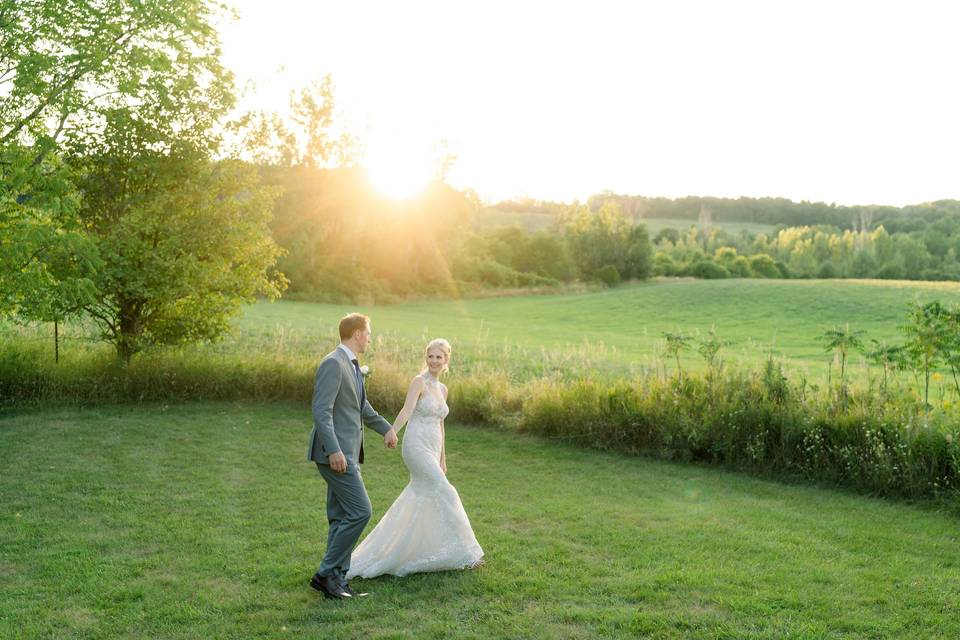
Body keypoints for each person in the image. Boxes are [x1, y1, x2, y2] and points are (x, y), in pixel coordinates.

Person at [346, 338, 484, 579]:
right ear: (426, 358)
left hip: (433, 447)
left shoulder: (443, 389)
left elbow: (441, 424)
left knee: (424, 495)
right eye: (430, 356)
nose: (434, 361)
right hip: (416, 445)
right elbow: (406, 410)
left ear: (446, 360)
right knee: (447, 492)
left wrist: (442, 457)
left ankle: (412, 548)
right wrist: (392, 431)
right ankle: (467, 554)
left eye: (438, 357)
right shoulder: (418, 382)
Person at [307, 313, 399, 599]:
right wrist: (334, 449)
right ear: (357, 333)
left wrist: (387, 429)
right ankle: (325, 574)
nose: (370, 338)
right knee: (361, 511)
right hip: (335, 453)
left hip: (346, 452)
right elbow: (321, 411)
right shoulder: (333, 363)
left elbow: (362, 407)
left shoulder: (352, 365)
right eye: (369, 333)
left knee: (340, 516)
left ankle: (337, 579)